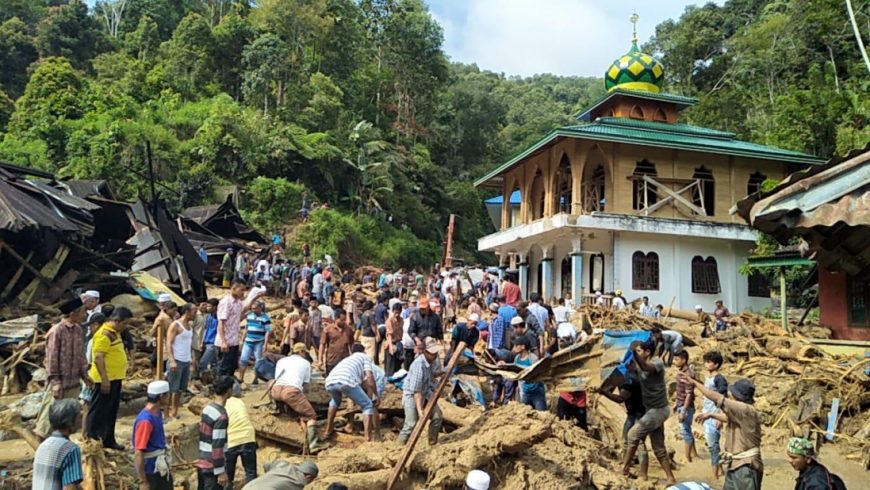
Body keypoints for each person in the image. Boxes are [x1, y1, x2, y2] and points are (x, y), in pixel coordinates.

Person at [680, 374, 763, 490]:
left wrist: (694, 383)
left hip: (745, 465)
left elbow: (717, 397)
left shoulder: (744, 409)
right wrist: (711, 414)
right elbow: (729, 418)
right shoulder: (743, 412)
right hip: (735, 464)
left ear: (737, 396)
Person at [621, 340, 677, 485]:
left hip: (659, 410)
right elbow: (627, 369)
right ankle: (670, 478)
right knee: (658, 447)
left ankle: (624, 467)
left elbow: (645, 367)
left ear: (647, 352)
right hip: (652, 411)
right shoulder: (638, 366)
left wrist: (632, 350)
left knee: (632, 434)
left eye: (639, 351)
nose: (636, 354)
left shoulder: (656, 362)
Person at [36, 298, 92, 439]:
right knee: (47, 421)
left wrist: (85, 375)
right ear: (73, 313)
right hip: (59, 384)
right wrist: (55, 382)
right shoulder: (57, 331)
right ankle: (39, 450)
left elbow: (81, 355)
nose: (85, 315)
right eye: (83, 312)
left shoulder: (78, 330)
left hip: (73, 383)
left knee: (67, 420)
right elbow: (51, 359)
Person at [87, 306, 132, 450]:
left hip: (115, 377)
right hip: (104, 379)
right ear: (117, 321)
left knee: (111, 409)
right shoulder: (104, 334)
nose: (126, 327)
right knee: (98, 410)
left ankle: (108, 439)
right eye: (125, 323)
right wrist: (105, 379)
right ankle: (93, 440)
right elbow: (98, 357)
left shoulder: (115, 332)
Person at [272, 343, 330, 452]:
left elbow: (276, 378)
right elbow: (305, 385)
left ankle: (277, 407)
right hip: (291, 392)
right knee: (311, 415)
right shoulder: (306, 363)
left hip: (275, 391)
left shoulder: (281, 360)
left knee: (292, 405)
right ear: (302, 352)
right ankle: (314, 444)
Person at [596, 375, 649, 480]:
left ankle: (643, 474)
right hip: (632, 413)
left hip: (640, 414)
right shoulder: (619, 379)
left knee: (640, 443)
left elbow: (620, 399)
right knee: (625, 440)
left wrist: (603, 392)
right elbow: (608, 388)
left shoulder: (629, 381)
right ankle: (627, 465)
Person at [324, 344, 378, 441]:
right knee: (368, 405)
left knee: (335, 401)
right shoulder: (365, 357)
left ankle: (328, 430)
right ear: (364, 351)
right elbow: (369, 377)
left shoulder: (348, 359)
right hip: (346, 381)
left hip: (330, 381)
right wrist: (376, 394)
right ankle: (368, 438)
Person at [398, 338, 443, 444]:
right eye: (432, 353)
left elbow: (431, 374)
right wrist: (420, 410)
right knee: (411, 423)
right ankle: (400, 446)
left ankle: (432, 443)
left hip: (426, 393)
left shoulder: (430, 361)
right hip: (413, 396)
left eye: (436, 353)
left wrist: (440, 374)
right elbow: (416, 391)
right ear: (425, 352)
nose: (435, 355)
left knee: (437, 416)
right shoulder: (418, 365)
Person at [33, 399, 84, 490]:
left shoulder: (43, 445)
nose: (80, 421)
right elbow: (70, 487)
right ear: (69, 422)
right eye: (78, 418)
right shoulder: (71, 449)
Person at [133, 380, 173, 490]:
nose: (169, 397)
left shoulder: (157, 413)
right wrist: (143, 481)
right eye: (167, 394)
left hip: (160, 467)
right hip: (151, 470)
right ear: (161, 397)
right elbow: (139, 452)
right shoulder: (146, 421)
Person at [197, 376, 234, 490]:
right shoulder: (221, 416)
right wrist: (220, 471)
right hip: (212, 467)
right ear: (228, 390)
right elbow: (217, 444)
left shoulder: (208, 408)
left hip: (203, 461)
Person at [225, 383, 258, 488]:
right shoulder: (240, 402)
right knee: (251, 472)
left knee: (228, 476)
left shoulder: (223, 403)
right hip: (248, 437)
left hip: (232, 439)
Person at [702, 351, 728, 480]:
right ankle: (720, 470)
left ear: (716, 365)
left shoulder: (719, 379)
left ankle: (714, 475)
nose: (706, 364)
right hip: (707, 413)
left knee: (713, 446)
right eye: (706, 361)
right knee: (712, 444)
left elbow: (724, 399)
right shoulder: (709, 377)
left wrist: (721, 416)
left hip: (715, 416)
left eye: (709, 362)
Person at [501, 336, 546, 410]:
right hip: (525, 392)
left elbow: (538, 374)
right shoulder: (517, 358)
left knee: (541, 414)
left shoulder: (533, 359)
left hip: (537, 392)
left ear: (523, 347)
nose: (514, 348)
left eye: (516, 346)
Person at [166, 303, 196, 419]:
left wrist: (192, 360)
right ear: (187, 311)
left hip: (186, 360)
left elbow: (189, 344)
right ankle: (166, 413)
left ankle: (174, 411)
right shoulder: (175, 325)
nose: (195, 314)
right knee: (171, 389)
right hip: (177, 360)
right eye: (194, 312)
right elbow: (168, 343)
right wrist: (172, 360)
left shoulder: (189, 326)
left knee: (179, 389)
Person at [217, 281, 247, 379]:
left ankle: (229, 390)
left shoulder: (238, 303)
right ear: (233, 289)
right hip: (226, 341)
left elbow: (238, 319)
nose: (243, 292)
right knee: (223, 368)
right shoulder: (226, 302)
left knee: (232, 367)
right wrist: (224, 341)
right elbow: (221, 323)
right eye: (241, 290)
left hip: (234, 341)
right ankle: (221, 390)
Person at [673, 350, 699, 463]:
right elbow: (682, 391)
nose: (675, 362)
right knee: (688, 429)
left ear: (684, 360)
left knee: (686, 431)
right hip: (682, 404)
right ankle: (694, 454)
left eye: (677, 359)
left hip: (686, 406)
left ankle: (687, 457)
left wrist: (683, 410)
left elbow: (689, 394)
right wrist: (676, 403)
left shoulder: (687, 374)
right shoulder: (682, 372)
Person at [239, 301, 272, 387]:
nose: (253, 310)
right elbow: (246, 328)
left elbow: (268, 332)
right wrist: (242, 340)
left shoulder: (266, 318)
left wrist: (265, 344)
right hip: (248, 341)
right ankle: (241, 378)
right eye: (252, 309)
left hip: (259, 342)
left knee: (258, 361)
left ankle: (256, 378)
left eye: (255, 308)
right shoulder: (249, 316)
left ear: (260, 308)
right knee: (243, 359)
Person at [246, 460, 318, 489]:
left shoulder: (284, 465)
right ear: (309, 476)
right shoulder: (299, 483)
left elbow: (267, 464)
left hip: (249, 487)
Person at [199, 299, 220, 380]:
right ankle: (215, 379)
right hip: (207, 342)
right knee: (214, 363)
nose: (207, 308)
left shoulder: (219, 318)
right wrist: (203, 342)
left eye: (209, 306)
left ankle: (207, 379)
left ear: (215, 307)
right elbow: (206, 329)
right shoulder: (208, 316)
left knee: (203, 363)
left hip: (213, 343)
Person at [384, 302, 405, 376]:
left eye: (399, 313)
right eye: (396, 312)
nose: (397, 315)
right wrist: (390, 346)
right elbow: (389, 334)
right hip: (391, 343)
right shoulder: (389, 321)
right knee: (390, 364)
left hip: (399, 342)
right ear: (393, 311)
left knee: (398, 362)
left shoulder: (402, 320)